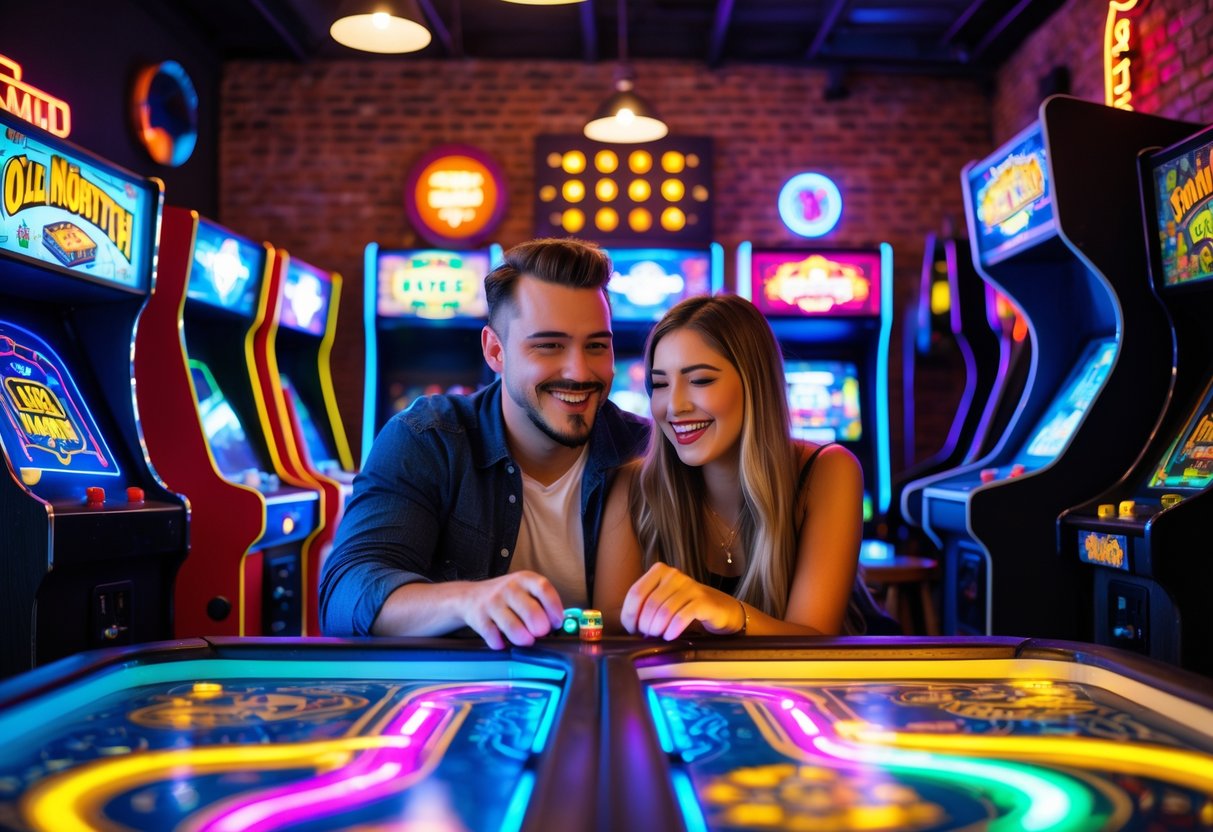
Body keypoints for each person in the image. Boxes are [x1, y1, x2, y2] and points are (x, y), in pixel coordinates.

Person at [320, 238, 649, 647]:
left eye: (597, 345)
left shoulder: (644, 451)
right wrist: (467, 600)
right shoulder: (429, 439)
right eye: (549, 345)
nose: (579, 371)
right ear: (496, 351)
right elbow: (345, 595)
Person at [594, 293, 868, 638]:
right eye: (660, 384)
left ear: (755, 383)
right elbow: (608, 627)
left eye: (701, 380)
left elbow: (813, 638)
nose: (674, 406)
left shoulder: (828, 470)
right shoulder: (634, 485)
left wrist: (729, 614)